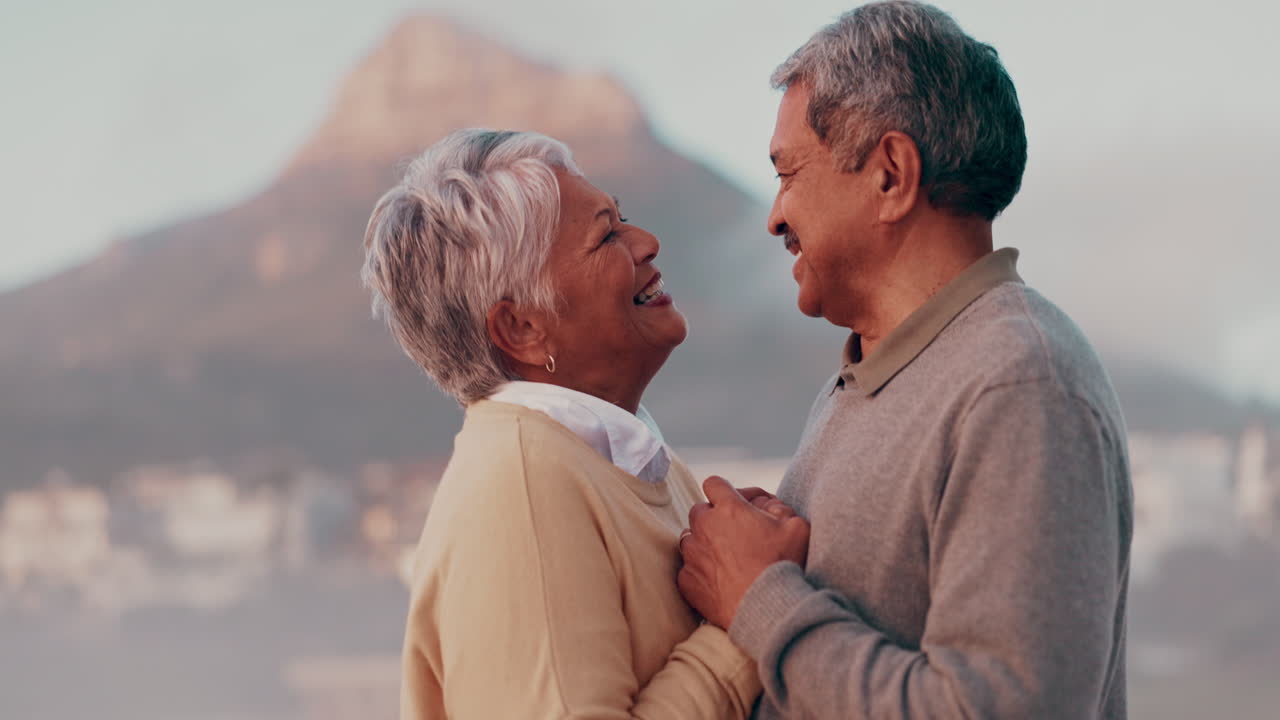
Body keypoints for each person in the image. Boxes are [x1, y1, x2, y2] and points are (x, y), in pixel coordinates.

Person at [676, 2, 1133, 718]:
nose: (773, 216)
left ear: (890, 174)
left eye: (788, 172)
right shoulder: (860, 384)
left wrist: (760, 601)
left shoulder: (1018, 386)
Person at [361, 128, 760, 719]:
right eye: (607, 237)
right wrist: (747, 615)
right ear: (522, 328)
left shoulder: (616, 456)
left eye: (622, 219)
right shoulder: (520, 489)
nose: (647, 243)